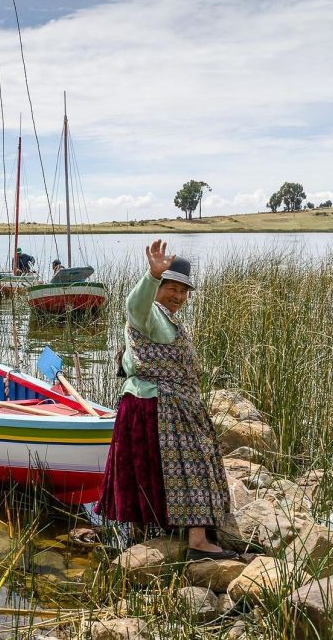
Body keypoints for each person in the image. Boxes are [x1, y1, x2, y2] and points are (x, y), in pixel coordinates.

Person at [95, 239, 235, 560]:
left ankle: (150, 534)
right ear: (159, 286)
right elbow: (134, 306)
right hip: (155, 405)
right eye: (172, 287)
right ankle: (195, 541)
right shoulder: (150, 314)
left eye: (184, 291)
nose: (178, 296)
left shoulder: (170, 318)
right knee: (190, 464)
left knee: (154, 469)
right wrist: (152, 276)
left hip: (161, 404)